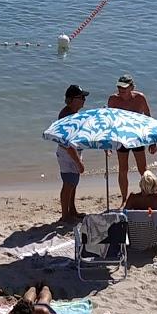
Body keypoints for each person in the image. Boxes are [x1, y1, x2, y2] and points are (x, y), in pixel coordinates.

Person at [108, 74, 153, 205]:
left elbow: (148, 118)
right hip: (121, 137)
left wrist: (152, 141)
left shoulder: (140, 98)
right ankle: (124, 199)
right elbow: (108, 122)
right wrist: (108, 146)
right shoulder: (113, 100)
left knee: (143, 169)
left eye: (124, 88)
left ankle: (149, 193)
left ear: (132, 87)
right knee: (123, 169)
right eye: (119, 88)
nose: (121, 91)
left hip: (137, 136)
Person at [55, 84, 88, 220]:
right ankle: (65, 214)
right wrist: (78, 161)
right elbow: (66, 142)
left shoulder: (74, 114)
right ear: (72, 99)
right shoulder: (66, 115)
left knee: (73, 183)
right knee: (68, 184)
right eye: (81, 98)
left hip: (73, 152)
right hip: (67, 153)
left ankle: (72, 209)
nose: (83, 100)